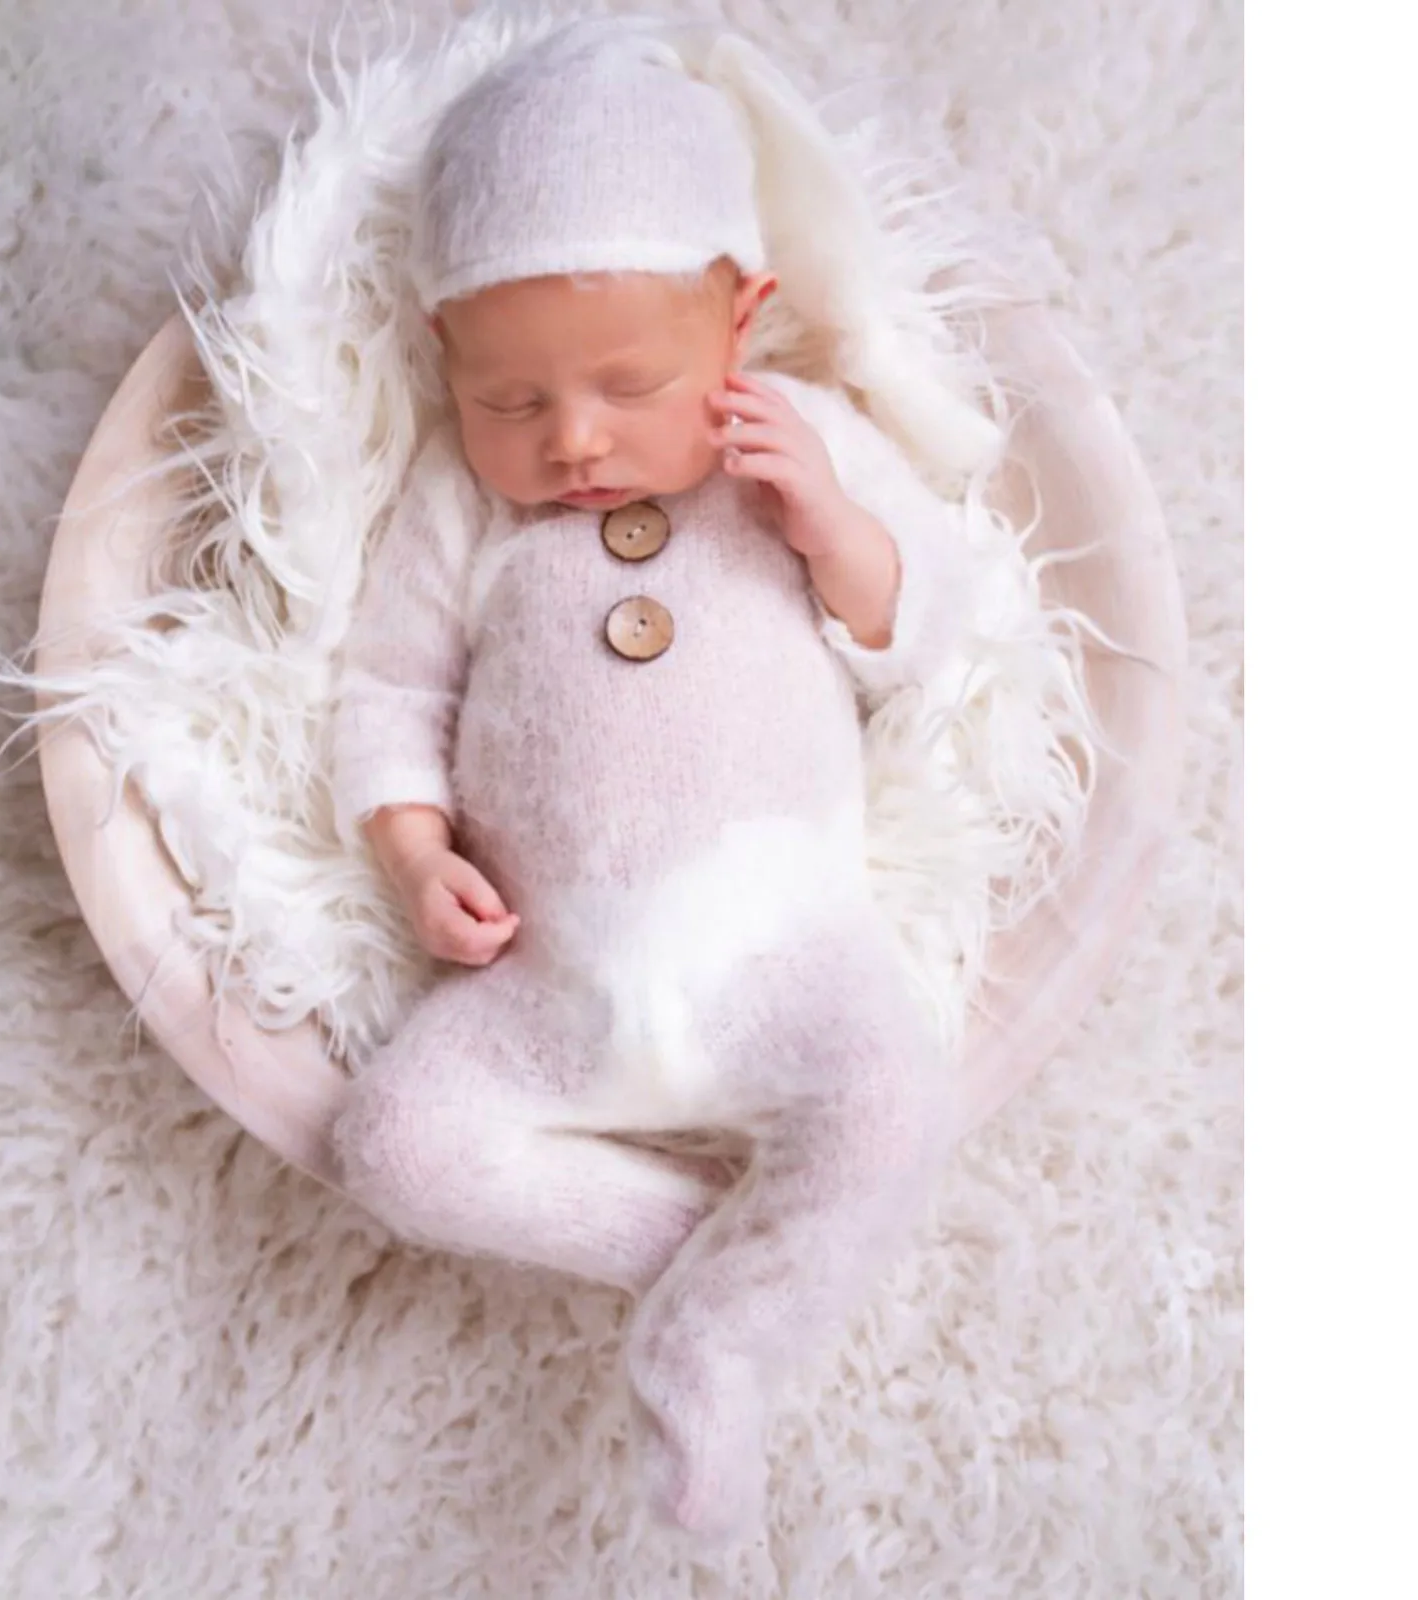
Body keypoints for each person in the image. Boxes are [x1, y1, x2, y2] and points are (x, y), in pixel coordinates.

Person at [329, 18, 986, 1541]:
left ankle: (714, 1351)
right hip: (549, 977)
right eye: (511, 401)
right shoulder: (458, 505)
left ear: (742, 320)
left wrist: (832, 525)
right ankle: (706, 1255)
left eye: (630, 384)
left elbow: (929, 627)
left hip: (789, 954)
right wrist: (416, 857)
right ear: (443, 354)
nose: (574, 442)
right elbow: (388, 694)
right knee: (392, 1145)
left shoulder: (802, 447)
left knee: (894, 1105)